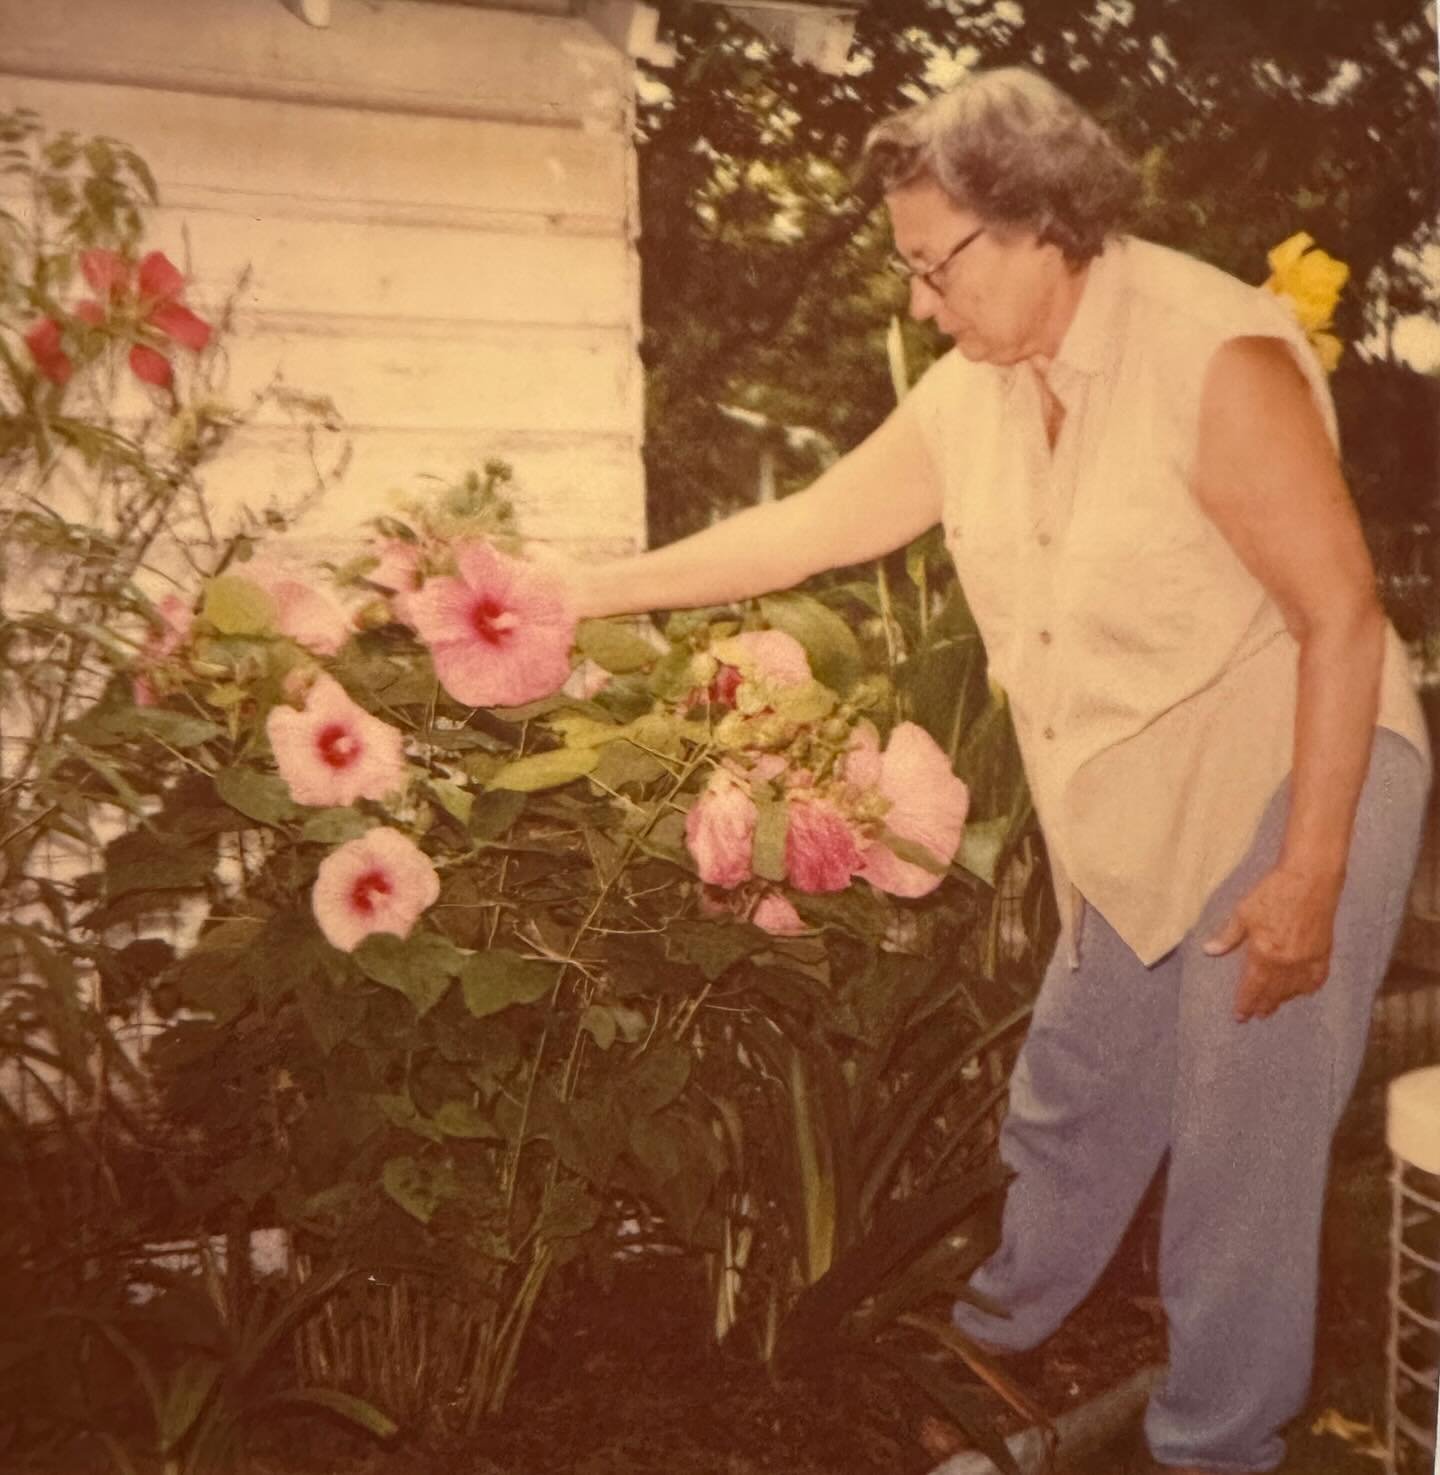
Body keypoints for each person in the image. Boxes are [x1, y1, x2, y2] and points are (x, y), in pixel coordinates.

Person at [566, 67, 1431, 1474]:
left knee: (1238, 1138)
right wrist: (578, 592)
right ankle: (990, 1358)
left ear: (1038, 224)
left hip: (1302, 764)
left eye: (934, 266)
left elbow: (1342, 619)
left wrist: (1309, 876)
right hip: (1143, 789)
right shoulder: (978, 387)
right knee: (1077, 1085)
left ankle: (1218, 1447)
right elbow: (802, 531)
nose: (920, 304)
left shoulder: (1218, 359)